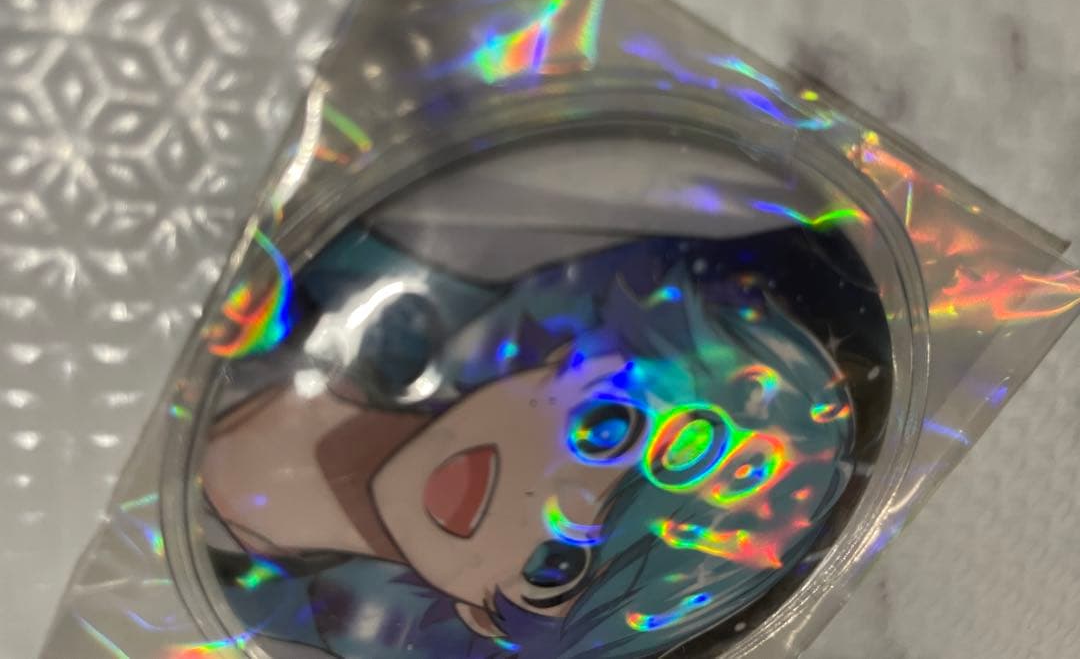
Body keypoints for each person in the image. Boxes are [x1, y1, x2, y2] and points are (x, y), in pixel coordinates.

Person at [202, 230, 855, 658]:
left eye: (555, 566)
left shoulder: (254, 622)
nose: (552, 499)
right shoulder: (357, 278)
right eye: (606, 429)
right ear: (573, 356)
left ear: (490, 621)